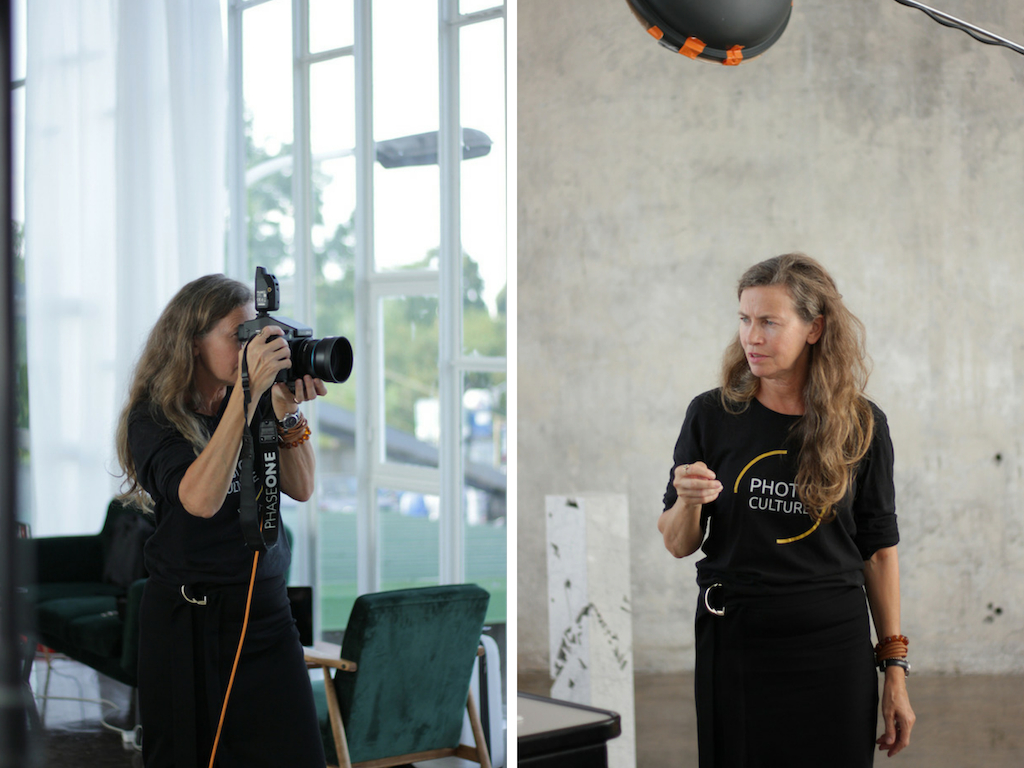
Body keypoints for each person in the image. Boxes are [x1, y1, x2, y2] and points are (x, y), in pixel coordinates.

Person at [658, 253, 915, 767]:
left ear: (814, 328)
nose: (751, 337)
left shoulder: (862, 425)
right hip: (736, 642)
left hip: (834, 648)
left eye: (769, 323)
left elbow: (879, 553)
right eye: (744, 319)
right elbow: (678, 544)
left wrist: (895, 671)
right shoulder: (711, 415)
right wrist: (687, 501)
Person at [115, 274, 328, 768]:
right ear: (192, 341)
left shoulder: (255, 399)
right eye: (238, 336)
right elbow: (200, 500)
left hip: (268, 615)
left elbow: (301, 487)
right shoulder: (154, 419)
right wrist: (247, 399)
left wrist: (286, 411)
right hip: (191, 622)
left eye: (255, 334)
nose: (251, 349)